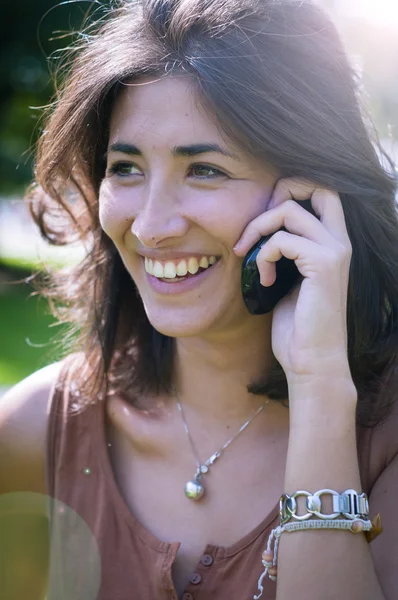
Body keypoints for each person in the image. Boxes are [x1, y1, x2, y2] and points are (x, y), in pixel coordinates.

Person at [1, 0, 398, 598]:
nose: (152, 226)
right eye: (126, 168)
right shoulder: (36, 431)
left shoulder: (386, 439)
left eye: (205, 170)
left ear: (312, 194)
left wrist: (319, 387)